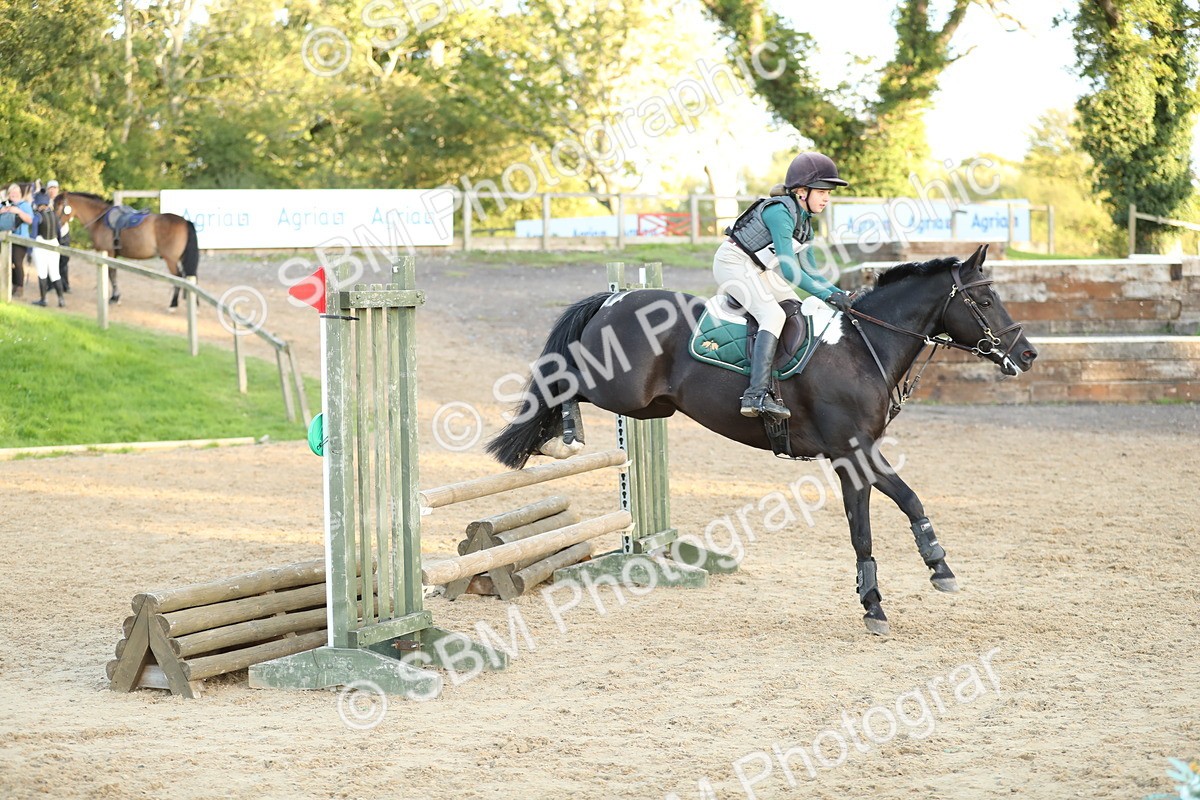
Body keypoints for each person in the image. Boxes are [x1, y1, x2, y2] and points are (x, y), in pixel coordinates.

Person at [714, 152, 854, 419]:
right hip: (732, 263)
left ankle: (783, 383)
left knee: (794, 309)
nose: (826, 198)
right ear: (801, 191)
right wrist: (827, 296)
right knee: (773, 315)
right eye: (822, 191)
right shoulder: (780, 212)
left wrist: (839, 293)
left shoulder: (806, 224)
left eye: (828, 193)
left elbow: (811, 270)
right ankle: (755, 395)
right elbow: (790, 270)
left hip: (758, 268)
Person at [30, 188, 65, 307]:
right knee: (55, 273)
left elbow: (34, 234)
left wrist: (29, 251)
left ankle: (43, 299)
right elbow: (59, 233)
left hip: (41, 245)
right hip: (54, 244)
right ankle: (61, 299)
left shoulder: (37, 216)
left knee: (42, 273)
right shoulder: (54, 215)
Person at [1, 183, 33, 298]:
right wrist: (3, 210)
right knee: (7, 262)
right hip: (6, 238)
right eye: (12, 193)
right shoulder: (5, 203)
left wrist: (18, 211)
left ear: (20, 194)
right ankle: (10, 285)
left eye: (16, 193)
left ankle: (19, 287)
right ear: (9, 194)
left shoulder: (24, 205)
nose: (14, 195)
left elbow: (30, 220)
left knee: (17, 262)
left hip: (21, 238)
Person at [46, 180, 70, 292]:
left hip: (64, 233)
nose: (52, 190)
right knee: (50, 259)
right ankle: (50, 284)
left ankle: (65, 284)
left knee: (64, 259)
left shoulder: (64, 202)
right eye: (50, 188)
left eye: (54, 188)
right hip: (50, 234)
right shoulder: (45, 202)